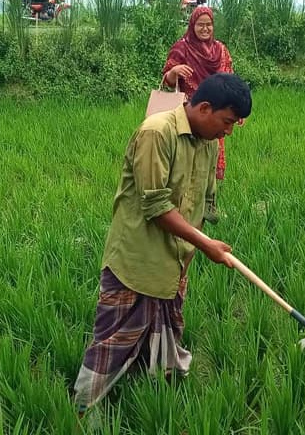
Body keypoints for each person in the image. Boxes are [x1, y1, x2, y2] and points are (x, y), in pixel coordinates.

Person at [73, 72, 253, 414]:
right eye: (227, 122)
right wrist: (205, 246)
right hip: (136, 260)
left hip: (174, 264)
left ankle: (152, 396)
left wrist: (187, 260)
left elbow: (201, 205)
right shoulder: (157, 132)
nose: (228, 132)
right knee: (114, 340)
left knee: (166, 333)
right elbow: (155, 207)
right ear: (203, 108)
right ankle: (82, 409)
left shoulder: (209, 142)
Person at [161, 7, 236, 185]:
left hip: (216, 114)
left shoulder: (221, 50)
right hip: (190, 114)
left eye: (209, 24)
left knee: (210, 158)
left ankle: (208, 204)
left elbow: (230, 80)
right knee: (187, 157)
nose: (205, 28)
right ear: (192, 25)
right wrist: (174, 71)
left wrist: (234, 108)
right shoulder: (182, 48)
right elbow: (167, 82)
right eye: (200, 24)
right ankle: (183, 198)